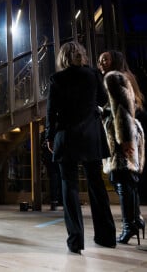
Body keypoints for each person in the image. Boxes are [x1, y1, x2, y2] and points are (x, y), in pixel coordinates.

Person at [46, 41, 116, 254]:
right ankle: (106, 237)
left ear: (62, 58)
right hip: (91, 136)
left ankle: (75, 241)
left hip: (66, 137)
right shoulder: (94, 75)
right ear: (82, 56)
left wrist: (49, 136)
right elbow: (104, 100)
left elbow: (51, 112)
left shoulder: (57, 79)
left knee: (70, 188)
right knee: (97, 186)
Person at [98, 50, 145, 244]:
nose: (101, 62)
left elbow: (123, 110)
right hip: (129, 133)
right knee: (127, 182)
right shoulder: (124, 77)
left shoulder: (113, 77)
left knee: (122, 181)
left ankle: (130, 225)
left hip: (121, 136)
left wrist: (124, 140)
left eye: (105, 59)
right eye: (100, 59)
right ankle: (136, 220)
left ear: (115, 61)